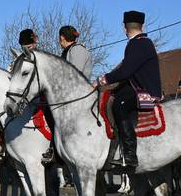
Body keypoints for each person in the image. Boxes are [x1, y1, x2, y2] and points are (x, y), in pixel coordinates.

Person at [94, 10, 161, 168]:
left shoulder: (138, 43)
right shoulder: (142, 42)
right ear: (142, 26)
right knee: (112, 97)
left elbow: (125, 71)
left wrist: (101, 80)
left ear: (125, 28)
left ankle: (130, 156)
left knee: (120, 105)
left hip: (147, 93)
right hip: (137, 88)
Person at [41, 26, 93, 163]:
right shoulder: (68, 51)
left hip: (78, 94)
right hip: (67, 93)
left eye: (59, 38)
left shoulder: (78, 51)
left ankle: (55, 148)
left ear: (62, 37)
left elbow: (72, 74)